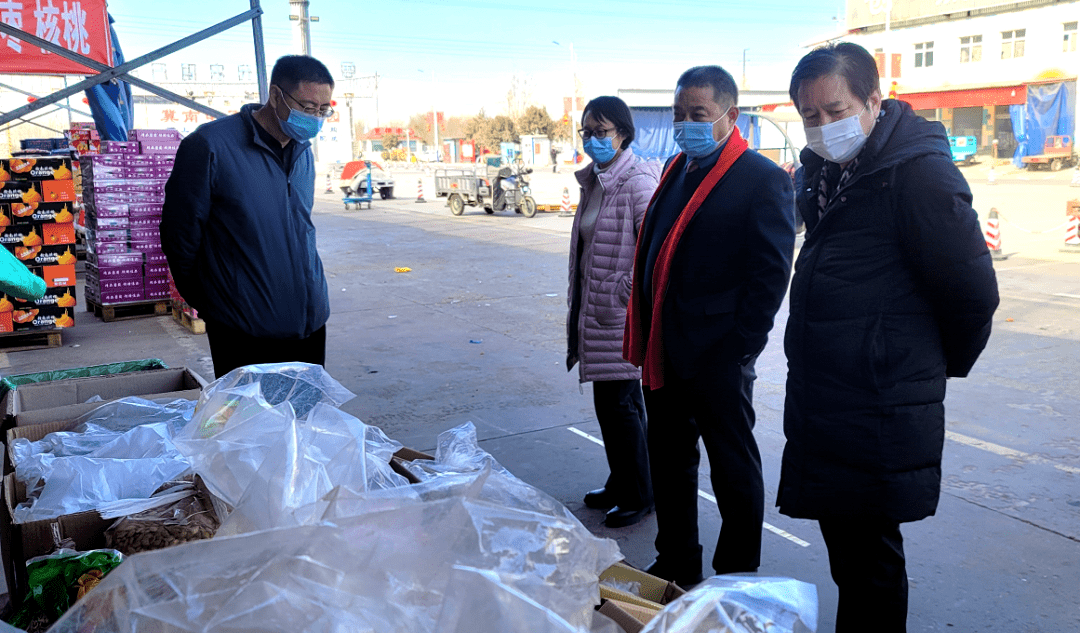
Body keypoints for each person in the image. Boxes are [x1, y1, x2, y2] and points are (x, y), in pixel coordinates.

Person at [779, 43, 999, 632]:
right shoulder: (826, 173)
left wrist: (912, 366)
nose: (823, 127)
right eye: (809, 116)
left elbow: (974, 295)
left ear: (874, 100)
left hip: (876, 403)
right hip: (831, 398)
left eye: (836, 110)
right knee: (851, 557)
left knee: (870, 562)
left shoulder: (918, 174)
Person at [623, 66, 796, 586]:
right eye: (679, 115)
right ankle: (677, 557)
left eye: (697, 115)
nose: (685, 125)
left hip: (718, 354)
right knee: (671, 462)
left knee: (731, 466)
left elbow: (770, 276)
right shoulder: (678, 169)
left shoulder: (760, 179)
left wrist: (740, 349)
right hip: (665, 348)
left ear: (729, 115)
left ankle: (736, 570)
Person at [162, 55, 335, 377]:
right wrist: (215, 304)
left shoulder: (302, 151)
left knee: (306, 420)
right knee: (249, 423)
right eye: (309, 108)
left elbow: (299, 226)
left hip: (309, 320)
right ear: (275, 95)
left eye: (323, 110)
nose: (316, 118)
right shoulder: (210, 146)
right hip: (244, 328)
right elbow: (179, 235)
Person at [567, 96, 661, 528]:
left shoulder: (637, 181)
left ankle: (639, 494)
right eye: (587, 131)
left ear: (623, 133)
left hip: (617, 315)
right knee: (617, 407)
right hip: (597, 309)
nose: (592, 139)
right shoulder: (597, 179)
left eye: (601, 131)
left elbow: (656, 251)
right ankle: (625, 479)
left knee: (620, 405)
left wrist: (622, 292)